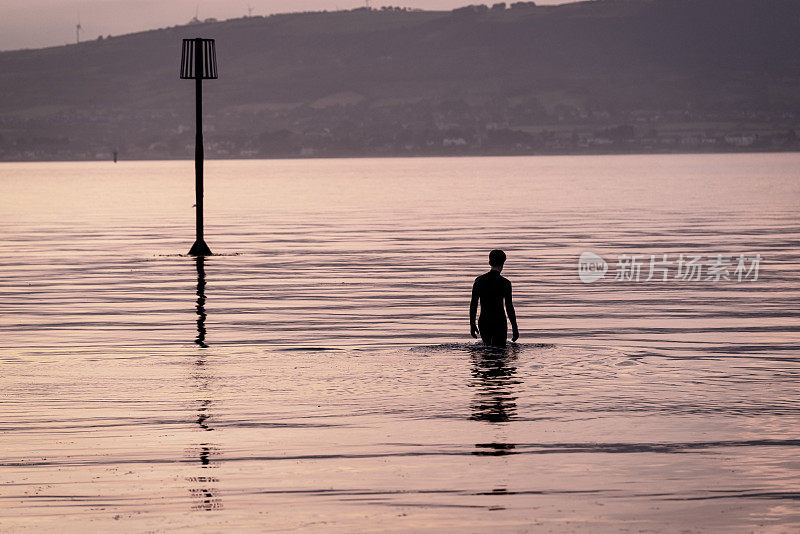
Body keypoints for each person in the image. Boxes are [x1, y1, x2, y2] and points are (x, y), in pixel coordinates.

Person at [470, 249, 519, 347]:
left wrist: (472, 324)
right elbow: (509, 307)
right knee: (500, 353)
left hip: (484, 321)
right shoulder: (505, 283)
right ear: (503, 263)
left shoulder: (479, 281)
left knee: (486, 351)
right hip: (499, 321)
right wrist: (515, 328)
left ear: (489, 262)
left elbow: (473, 304)